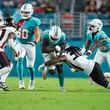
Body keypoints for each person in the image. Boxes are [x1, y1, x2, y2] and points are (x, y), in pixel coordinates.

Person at [44, 45, 110, 89]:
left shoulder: (64, 55)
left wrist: (46, 63)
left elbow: (58, 59)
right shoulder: (73, 50)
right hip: (92, 67)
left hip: (91, 69)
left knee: (106, 85)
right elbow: (76, 62)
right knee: (103, 80)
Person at [14, 3, 41, 90]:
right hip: (19, 44)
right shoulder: (17, 17)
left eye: (27, 12)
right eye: (23, 12)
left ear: (31, 12)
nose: (25, 14)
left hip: (29, 45)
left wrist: (35, 42)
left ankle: (32, 81)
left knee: (30, 66)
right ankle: (21, 82)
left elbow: (37, 35)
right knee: (19, 59)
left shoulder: (34, 21)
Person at [38, 25, 67, 91]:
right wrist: (54, 48)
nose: (54, 39)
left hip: (55, 52)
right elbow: (43, 50)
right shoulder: (45, 35)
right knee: (52, 72)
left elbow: (63, 48)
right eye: (53, 38)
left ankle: (61, 87)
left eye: (56, 39)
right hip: (47, 52)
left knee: (60, 68)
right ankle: (46, 66)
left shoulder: (62, 36)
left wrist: (59, 55)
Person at [0, 13, 19, 91]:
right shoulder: (11, 29)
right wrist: (16, 51)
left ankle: (2, 82)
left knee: (10, 65)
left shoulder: (3, 27)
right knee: (7, 66)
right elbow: (11, 44)